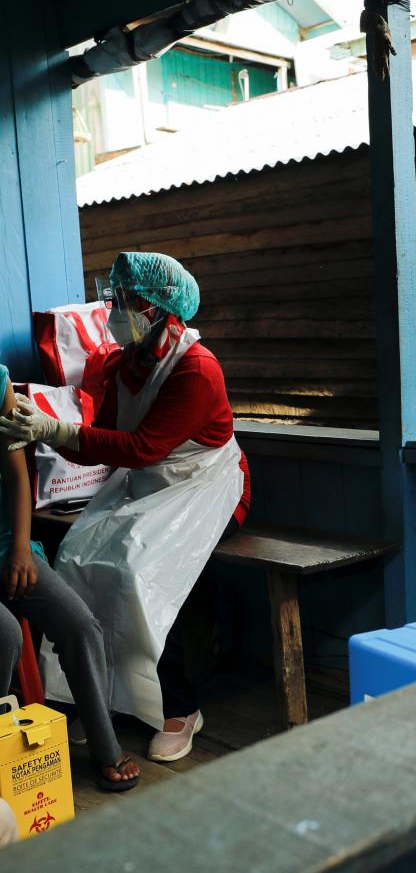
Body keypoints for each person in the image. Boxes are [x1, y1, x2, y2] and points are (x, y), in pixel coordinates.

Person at [0, 253, 250, 764]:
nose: (115, 307)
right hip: (146, 482)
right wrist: (41, 423)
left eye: (127, 299)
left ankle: (180, 708)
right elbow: (102, 442)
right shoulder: (123, 363)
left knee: (144, 570)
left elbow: (140, 448)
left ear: (158, 307)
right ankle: (104, 699)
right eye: (115, 296)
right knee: (76, 556)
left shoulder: (197, 370)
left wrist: (53, 430)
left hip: (203, 487)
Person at [0, 365, 139, 791]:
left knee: (79, 625)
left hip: (6, 544)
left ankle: (104, 747)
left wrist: (22, 548)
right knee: (5, 635)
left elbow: (16, 474)